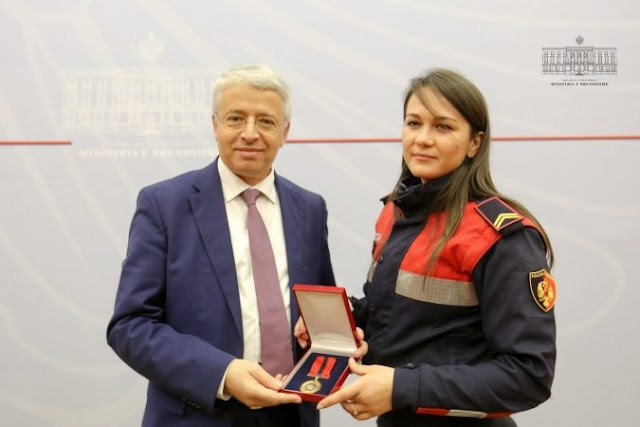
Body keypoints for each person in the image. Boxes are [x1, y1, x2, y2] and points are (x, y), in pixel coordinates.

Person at [314, 68, 557, 426]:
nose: (422, 139)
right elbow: (399, 317)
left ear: (474, 143)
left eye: (443, 127)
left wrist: (401, 387)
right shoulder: (396, 211)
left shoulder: (503, 237)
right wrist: (339, 321)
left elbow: (528, 376)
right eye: (414, 123)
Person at [107, 64, 338, 427]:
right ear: (215, 125)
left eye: (265, 121)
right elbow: (130, 326)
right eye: (236, 118)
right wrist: (223, 373)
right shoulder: (164, 205)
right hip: (198, 415)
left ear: (285, 132)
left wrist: (338, 334)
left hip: (292, 413)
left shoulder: (309, 209)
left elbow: (319, 312)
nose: (250, 133)